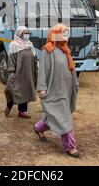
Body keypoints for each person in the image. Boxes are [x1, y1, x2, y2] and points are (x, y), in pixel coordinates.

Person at [34, 24, 80, 158]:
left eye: (67, 33)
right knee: (64, 117)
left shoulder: (65, 50)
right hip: (54, 89)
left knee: (54, 114)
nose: (66, 36)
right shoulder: (47, 50)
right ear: (55, 34)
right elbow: (42, 69)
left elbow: (71, 69)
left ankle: (38, 128)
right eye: (63, 33)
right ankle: (70, 146)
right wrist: (41, 87)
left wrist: (74, 84)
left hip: (65, 88)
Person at [4, 26, 37, 119]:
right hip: (18, 72)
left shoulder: (30, 44)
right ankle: (9, 105)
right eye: (25, 33)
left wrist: (35, 69)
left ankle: (22, 111)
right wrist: (12, 71)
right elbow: (11, 59)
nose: (27, 35)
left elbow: (34, 57)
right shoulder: (14, 45)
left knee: (25, 91)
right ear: (20, 34)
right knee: (12, 89)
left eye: (28, 33)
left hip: (28, 73)